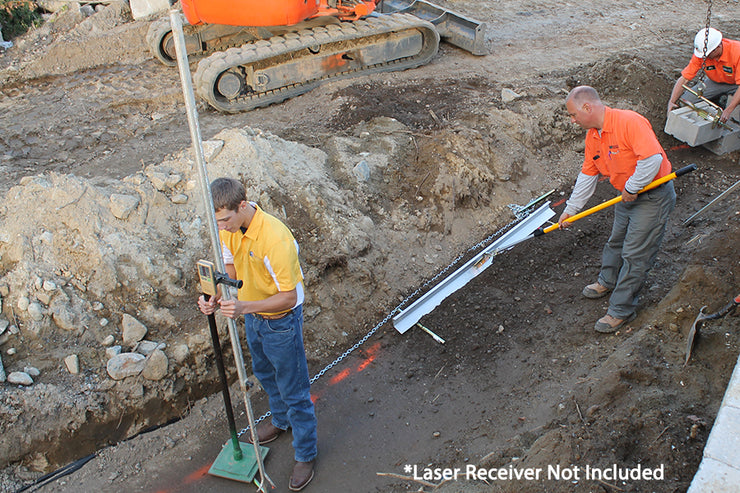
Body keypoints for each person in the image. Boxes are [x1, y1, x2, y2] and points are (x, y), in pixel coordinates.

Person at [197, 177, 317, 491]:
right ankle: (280, 421)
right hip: (254, 317)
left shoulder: (275, 238)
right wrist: (214, 296)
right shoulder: (230, 230)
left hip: (281, 321)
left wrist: (244, 307)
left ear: (243, 205)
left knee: (294, 389)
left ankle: (305, 453)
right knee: (264, 372)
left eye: (225, 219)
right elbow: (232, 274)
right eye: (217, 220)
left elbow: (289, 297)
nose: (221, 226)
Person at [560, 86, 676, 333]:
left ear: (587, 108)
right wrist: (571, 209)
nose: (572, 120)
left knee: (636, 254)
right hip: (626, 196)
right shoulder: (593, 136)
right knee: (616, 242)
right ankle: (607, 281)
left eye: (573, 115)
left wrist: (633, 186)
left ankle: (621, 309)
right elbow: (588, 174)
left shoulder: (628, 122)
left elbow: (652, 159)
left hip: (652, 196)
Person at [667, 27, 740, 123]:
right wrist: (672, 101)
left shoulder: (736, 52)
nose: (704, 58)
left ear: (717, 48)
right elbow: (684, 79)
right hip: (716, 82)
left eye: (708, 55)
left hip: (736, 85)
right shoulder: (702, 53)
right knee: (686, 101)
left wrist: (728, 110)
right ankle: (717, 102)